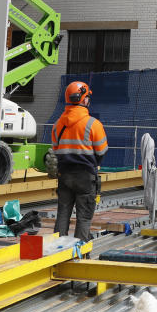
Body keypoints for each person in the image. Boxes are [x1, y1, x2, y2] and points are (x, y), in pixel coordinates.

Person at [51, 81, 108, 242]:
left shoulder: (57, 125)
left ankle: (57, 251)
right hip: (85, 176)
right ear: (83, 100)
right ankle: (80, 253)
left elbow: (56, 150)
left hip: (64, 175)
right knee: (83, 217)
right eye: (87, 97)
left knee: (62, 214)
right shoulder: (93, 124)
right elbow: (102, 151)